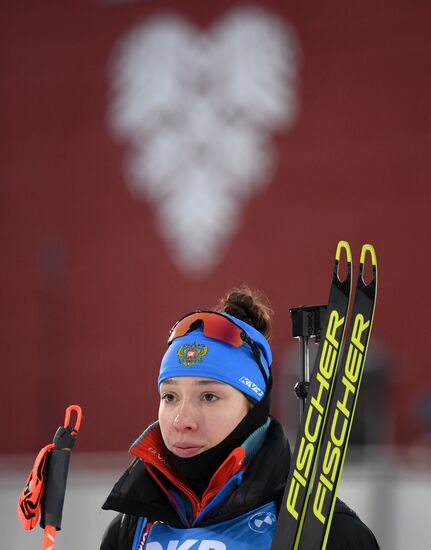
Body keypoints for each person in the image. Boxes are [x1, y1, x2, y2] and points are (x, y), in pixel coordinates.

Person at [101, 288, 380, 549]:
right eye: (170, 397)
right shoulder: (132, 528)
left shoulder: (328, 532)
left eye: (209, 396)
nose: (181, 420)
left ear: (253, 407)